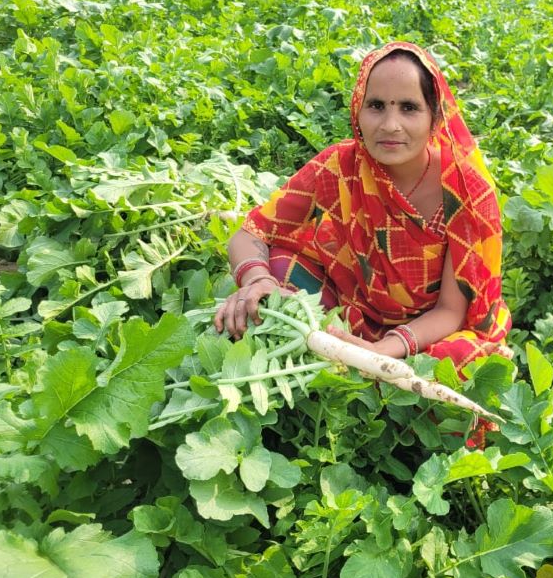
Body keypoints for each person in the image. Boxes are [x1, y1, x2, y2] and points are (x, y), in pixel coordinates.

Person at [213, 41, 511, 373]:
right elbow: (251, 232)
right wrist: (257, 281)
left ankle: (357, 367)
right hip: (352, 308)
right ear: (358, 109)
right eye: (377, 106)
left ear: (435, 116)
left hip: (428, 331)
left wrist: (382, 351)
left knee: (466, 362)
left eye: (409, 108)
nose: (390, 125)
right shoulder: (340, 166)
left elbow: (450, 311)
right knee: (279, 269)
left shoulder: (464, 189)